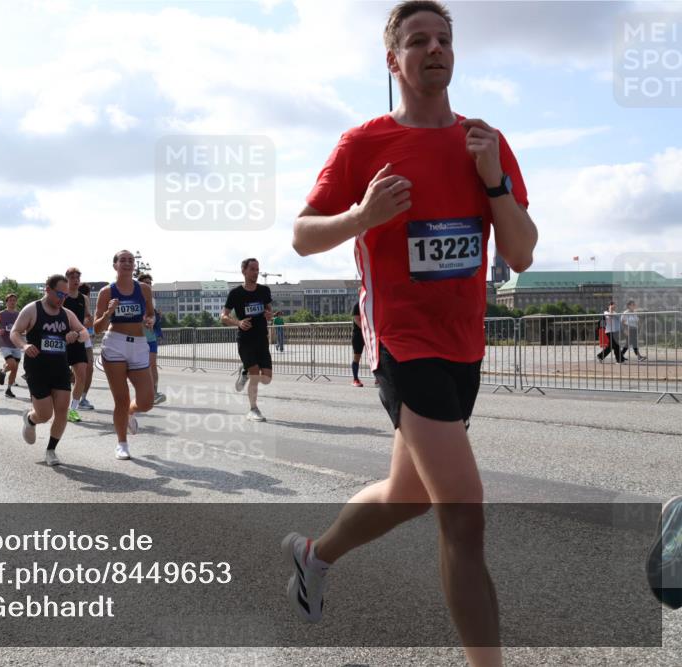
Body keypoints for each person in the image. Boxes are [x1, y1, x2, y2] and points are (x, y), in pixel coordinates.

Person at [286, 3, 538, 666]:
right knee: (463, 511)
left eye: (445, 39)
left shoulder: (486, 141)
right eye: (418, 40)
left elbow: (523, 251)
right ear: (392, 60)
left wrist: (496, 183)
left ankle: (315, 555)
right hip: (402, 341)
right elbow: (302, 236)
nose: (435, 49)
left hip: (464, 346)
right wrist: (361, 214)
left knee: (408, 494)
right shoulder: (362, 144)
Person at [12, 274, 89, 466]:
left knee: (62, 410)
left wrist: (76, 335)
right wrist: (24, 346)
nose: (62, 298)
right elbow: (15, 332)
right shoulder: (32, 309)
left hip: (60, 367)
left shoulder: (66, 314)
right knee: (45, 415)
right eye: (59, 294)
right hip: (37, 368)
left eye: (65, 295)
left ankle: (51, 450)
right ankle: (31, 419)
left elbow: (84, 332)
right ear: (47, 289)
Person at [94, 250, 156, 460]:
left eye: (131, 260)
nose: (128, 263)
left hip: (139, 344)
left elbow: (150, 313)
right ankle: (122, 443)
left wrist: (150, 320)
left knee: (147, 402)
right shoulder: (106, 292)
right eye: (123, 260)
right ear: (115, 266)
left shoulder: (144, 289)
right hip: (115, 345)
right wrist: (108, 313)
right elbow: (97, 327)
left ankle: (131, 412)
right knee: (121, 399)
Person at [222, 258, 273, 422]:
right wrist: (238, 322)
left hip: (262, 339)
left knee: (266, 378)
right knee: (255, 376)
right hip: (245, 340)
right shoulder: (236, 293)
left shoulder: (264, 290)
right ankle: (253, 409)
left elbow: (269, 312)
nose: (256, 272)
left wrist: (268, 315)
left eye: (257, 269)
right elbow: (223, 316)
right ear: (244, 271)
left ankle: (243, 370)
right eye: (252, 269)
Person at [63, 267, 94, 421]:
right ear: (67, 279)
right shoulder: (62, 296)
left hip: (78, 340)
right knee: (59, 378)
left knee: (82, 374)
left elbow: (88, 318)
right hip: (61, 341)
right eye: (72, 277)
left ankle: (73, 410)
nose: (76, 280)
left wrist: (86, 322)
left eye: (78, 277)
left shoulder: (84, 299)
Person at [137, 273, 166, 405]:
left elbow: (152, 316)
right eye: (145, 283)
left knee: (152, 365)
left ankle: (154, 392)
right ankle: (143, 392)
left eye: (150, 283)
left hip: (151, 337)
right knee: (140, 367)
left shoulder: (152, 300)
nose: (148, 285)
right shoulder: (135, 299)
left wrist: (154, 319)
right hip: (138, 338)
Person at [0, 293, 23, 398]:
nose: (12, 302)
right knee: (12, 364)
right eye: (10, 300)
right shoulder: (1, 314)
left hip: (16, 344)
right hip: (5, 343)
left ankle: (9, 389)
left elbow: (23, 327)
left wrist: (23, 332)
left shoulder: (19, 314)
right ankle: (3, 371)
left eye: (14, 300)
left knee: (15, 368)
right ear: (6, 302)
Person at [77, 283, 97, 411]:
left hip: (86, 340)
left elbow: (89, 321)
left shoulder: (85, 301)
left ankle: (82, 399)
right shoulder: (69, 300)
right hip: (72, 339)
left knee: (89, 369)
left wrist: (92, 330)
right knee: (79, 372)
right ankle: (75, 401)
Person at [351, 301, 366, 387]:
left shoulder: (370, 303)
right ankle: (355, 379)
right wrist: (366, 328)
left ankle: (378, 379)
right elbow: (356, 319)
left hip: (369, 334)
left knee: (374, 356)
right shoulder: (357, 305)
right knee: (357, 357)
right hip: (358, 335)